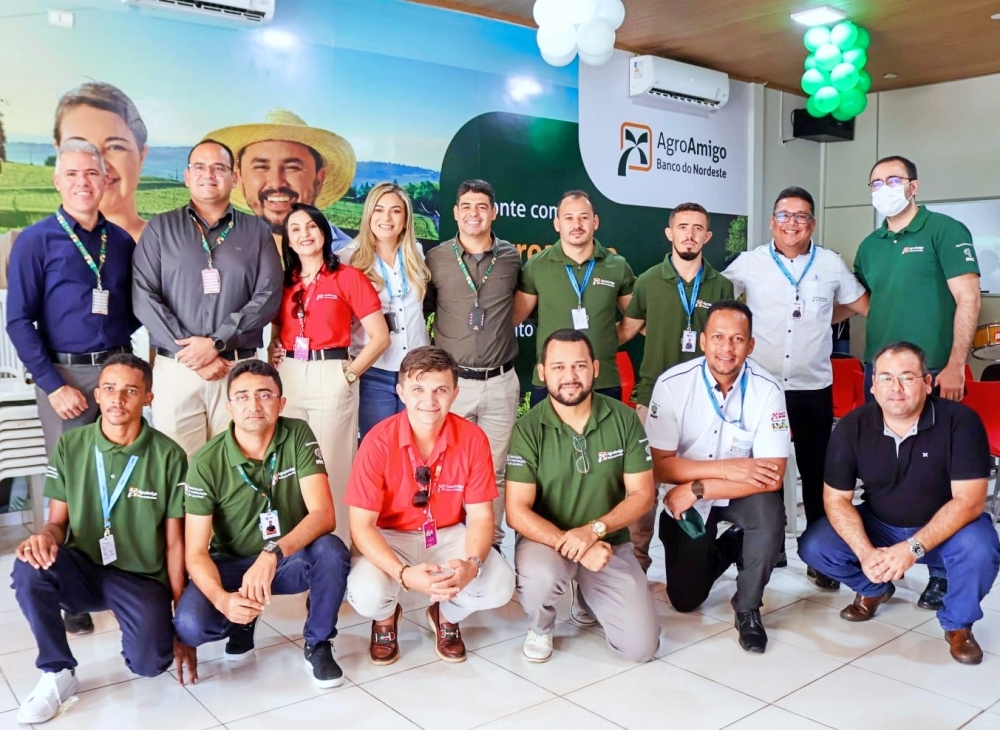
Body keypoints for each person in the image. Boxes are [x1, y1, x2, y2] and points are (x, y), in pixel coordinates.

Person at [11, 354, 196, 724]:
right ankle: (57, 671)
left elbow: (176, 543)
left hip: (140, 576)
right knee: (31, 564)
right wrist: (44, 537)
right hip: (83, 568)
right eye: (109, 389)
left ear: (148, 398)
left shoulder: (169, 455)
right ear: (97, 395)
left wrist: (180, 624)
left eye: (130, 391)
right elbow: (57, 524)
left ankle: (142, 628)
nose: (117, 399)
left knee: (150, 664)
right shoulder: (72, 444)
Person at [6, 141, 139, 641]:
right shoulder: (35, 241)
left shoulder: (121, 242)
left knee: (121, 477)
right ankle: (67, 593)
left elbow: (131, 311)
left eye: (93, 173)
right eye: (73, 174)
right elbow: (18, 321)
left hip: (118, 375)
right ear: (58, 182)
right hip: (64, 378)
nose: (84, 181)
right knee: (68, 483)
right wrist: (51, 384)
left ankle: (121, 577)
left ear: (107, 182)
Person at [798, 342, 1000, 665]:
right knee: (816, 545)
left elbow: (970, 503)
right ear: (873, 384)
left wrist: (912, 549)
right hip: (880, 525)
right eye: (886, 378)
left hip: (945, 530)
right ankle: (873, 587)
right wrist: (866, 554)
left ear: (927, 383)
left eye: (907, 377)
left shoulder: (960, 423)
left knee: (981, 547)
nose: (896, 388)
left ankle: (958, 624)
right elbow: (835, 500)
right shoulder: (853, 427)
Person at [723, 187, 868, 589]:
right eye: (784, 215)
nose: (792, 223)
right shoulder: (749, 264)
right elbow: (719, 306)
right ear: (772, 222)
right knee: (761, 471)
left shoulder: (831, 264)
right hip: (761, 387)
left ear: (813, 224)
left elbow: (860, 304)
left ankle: (821, 556)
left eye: (801, 216)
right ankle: (769, 546)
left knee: (817, 471)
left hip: (812, 388)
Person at [173, 360, 351, 687]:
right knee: (190, 625)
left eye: (264, 395)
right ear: (229, 407)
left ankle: (318, 642)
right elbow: (196, 551)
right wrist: (222, 600)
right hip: (231, 564)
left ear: (281, 403)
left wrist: (272, 554)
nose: (253, 405)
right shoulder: (205, 461)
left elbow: (324, 515)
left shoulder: (296, 433)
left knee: (332, 551)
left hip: (285, 560)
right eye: (242, 396)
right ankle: (242, 618)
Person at [855, 155, 981, 610]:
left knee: (938, 475)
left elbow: (968, 298)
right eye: (875, 182)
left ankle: (943, 575)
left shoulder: (945, 231)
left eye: (893, 180)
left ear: (913, 186)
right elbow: (867, 301)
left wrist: (954, 363)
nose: (883, 188)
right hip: (880, 373)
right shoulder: (870, 245)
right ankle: (877, 569)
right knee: (884, 469)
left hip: (934, 374)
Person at [344, 346, 515, 665]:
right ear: (401, 392)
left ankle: (446, 616)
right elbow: (361, 526)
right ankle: (384, 619)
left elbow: (480, 516)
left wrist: (472, 565)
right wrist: (403, 575)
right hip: (389, 535)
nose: (429, 400)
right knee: (367, 594)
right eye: (418, 389)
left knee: (499, 585)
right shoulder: (377, 441)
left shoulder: (473, 438)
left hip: (448, 533)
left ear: (455, 394)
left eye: (441, 390)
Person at [505, 329, 659, 663]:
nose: (570, 376)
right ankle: (541, 626)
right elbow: (517, 512)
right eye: (558, 367)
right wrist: (572, 544)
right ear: (542, 372)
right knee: (541, 577)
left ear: (596, 368)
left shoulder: (624, 419)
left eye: (579, 366)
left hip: (607, 542)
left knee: (641, 649)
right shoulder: (528, 428)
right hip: (545, 542)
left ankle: (587, 593)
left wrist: (593, 532)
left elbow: (642, 494)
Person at [645, 301, 789, 653]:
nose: (727, 348)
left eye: (738, 339)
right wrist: (724, 469)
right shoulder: (672, 385)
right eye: (719, 338)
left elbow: (772, 477)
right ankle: (735, 543)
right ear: (703, 341)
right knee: (684, 599)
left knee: (769, 518)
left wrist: (700, 486)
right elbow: (660, 465)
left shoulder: (767, 390)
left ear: (750, 345)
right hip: (689, 497)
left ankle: (748, 607)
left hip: (739, 491)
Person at [132, 139, 282, 456]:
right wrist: (192, 353)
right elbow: (144, 295)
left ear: (234, 177)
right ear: (187, 176)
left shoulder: (257, 231)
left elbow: (267, 296)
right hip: (177, 371)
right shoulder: (160, 229)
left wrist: (216, 343)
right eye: (199, 167)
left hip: (240, 371)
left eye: (218, 168)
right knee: (179, 472)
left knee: (238, 467)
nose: (208, 175)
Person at [617, 202, 734, 573]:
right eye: (682, 227)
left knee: (699, 482)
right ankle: (637, 562)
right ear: (669, 233)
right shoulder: (648, 281)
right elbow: (629, 329)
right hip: (653, 398)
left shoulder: (722, 284)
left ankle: (691, 559)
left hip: (706, 400)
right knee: (644, 485)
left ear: (708, 236)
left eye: (698, 228)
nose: (689, 234)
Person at [268, 203, 389, 544]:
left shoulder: (348, 277)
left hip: (332, 372)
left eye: (311, 227)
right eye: (295, 230)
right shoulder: (285, 282)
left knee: (331, 466)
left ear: (323, 233)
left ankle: (334, 550)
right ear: (288, 241)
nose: (304, 235)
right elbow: (278, 329)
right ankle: (293, 546)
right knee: (290, 463)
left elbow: (380, 338)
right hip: (290, 373)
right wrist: (274, 349)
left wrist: (349, 375)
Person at [424, 179, 521, 550]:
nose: (473, 213)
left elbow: (520, 305)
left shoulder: (511, 256)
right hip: (453, 386)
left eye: (481, 206)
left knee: (493, 473)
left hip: (500, 382)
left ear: (493, 212)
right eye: (466, 206)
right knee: (446, 468)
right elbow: (425, 310)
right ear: (455, 213)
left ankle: (490, 545)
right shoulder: (437, 258)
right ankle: (448, 541)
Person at [0, 81, 149, 285]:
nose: (96, 163)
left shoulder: (178, 247)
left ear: (142, 155)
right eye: (79, 146)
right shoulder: (13, 250)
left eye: (115, 147)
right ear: (58, 153)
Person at [515, 190, 635, 406]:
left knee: (605, 441)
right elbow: (513, 317)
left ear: (595, 221)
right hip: (550, 383)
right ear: (557, 223)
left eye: (583, 217)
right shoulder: (537, 266)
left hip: (602, 381)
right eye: (569, 218)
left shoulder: (617, 265)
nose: (576, 224)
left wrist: (607, 337)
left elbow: (635, 317)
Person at [337, 183, 431, 439]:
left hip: (417, 372)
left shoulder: (417, 254)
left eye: (395, 211)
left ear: (406, 218)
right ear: (368, 215)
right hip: (373, 372)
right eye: (379, 210)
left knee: (415, 448)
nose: (386, 218)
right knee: (378, 449)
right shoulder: (348, 259)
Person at [206, 109, 356, 249]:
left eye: (292, 167)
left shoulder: (350, 259)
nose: (276, 182)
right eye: (261, 167)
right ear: (239, 178)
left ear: (319, 179)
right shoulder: (229, 251)